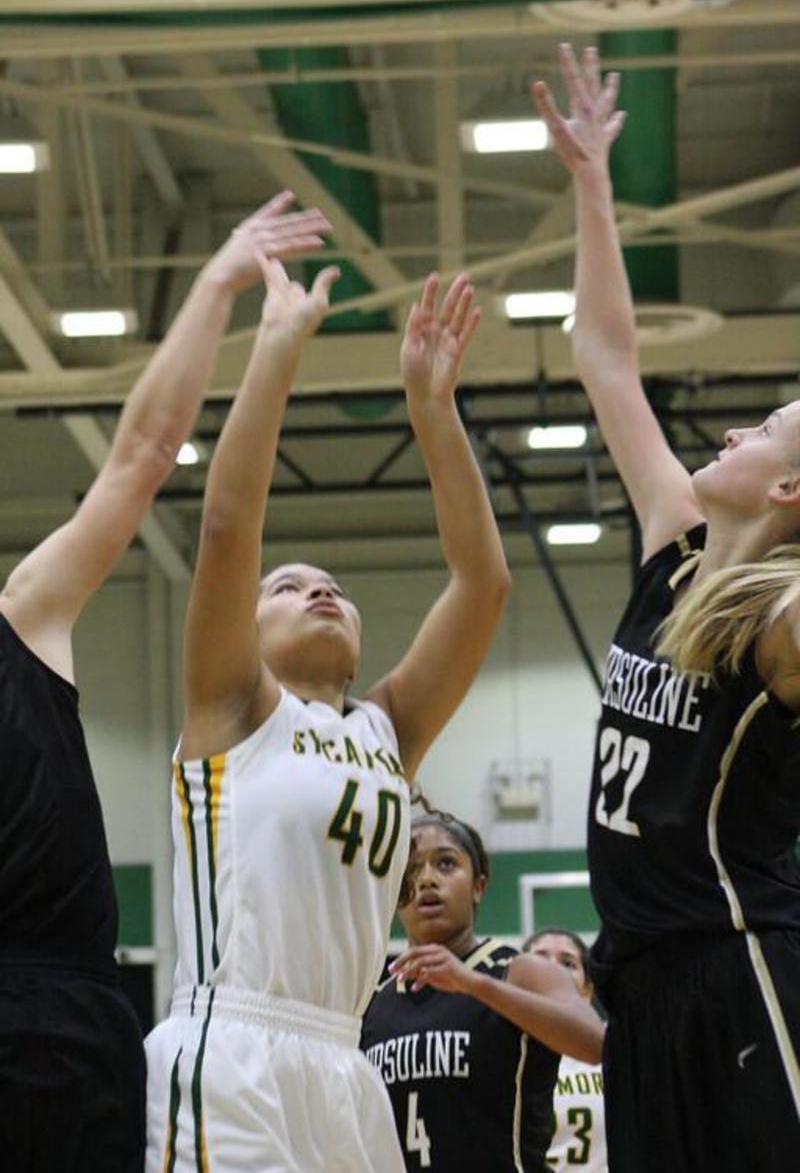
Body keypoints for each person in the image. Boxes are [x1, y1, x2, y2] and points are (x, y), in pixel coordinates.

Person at [144, 263, 511, 1171]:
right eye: (290, 586)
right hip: (231, 1050)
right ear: (248, 626)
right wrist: (275, 349)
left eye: (335, 589)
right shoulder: (231, 706)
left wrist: (434, 411)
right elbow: (229, 526)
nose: (320, 590)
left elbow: (483, 583)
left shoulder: (384, 731)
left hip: (345, 1066)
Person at [0, 191, 331, 1172]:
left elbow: (143, 458)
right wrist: (218, 282)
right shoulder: (25, 613)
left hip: (62, 1018)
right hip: (61, 1028)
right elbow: (140, 459)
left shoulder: (22, 618)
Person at [533, 44, 800, 1170]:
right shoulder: (672, 550)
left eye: (765, 430)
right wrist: (591, 184)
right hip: (635, 981)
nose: (731, 432)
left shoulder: (781, 619)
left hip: (734, 963)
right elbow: (603, 356)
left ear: (789, 490)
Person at [361, 811, 604, 1171]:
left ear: (479, 885)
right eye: (412, 868)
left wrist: (473, 983)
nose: (427, 879)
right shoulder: (372, 998)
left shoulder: (519, 970)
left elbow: (594, 1043)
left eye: (446, 863)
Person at [523, 929, 607, 1172]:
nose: (553, 970)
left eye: (568, 963)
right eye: (540, 958)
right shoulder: (497, 1049)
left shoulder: (614, 1046)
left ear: (587, 991)